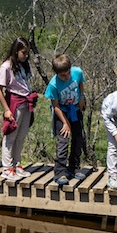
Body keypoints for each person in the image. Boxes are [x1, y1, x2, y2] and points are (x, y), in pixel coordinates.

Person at [0, 37, 36, 180]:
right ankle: (7, 168)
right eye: (23, 52)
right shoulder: (6, 66)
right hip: (14, 102)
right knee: (11, 134)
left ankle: (17, 164)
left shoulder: (25, 65)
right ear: (16, 51)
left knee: (21, 135)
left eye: (27, 53)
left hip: (25, 102)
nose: (26, 56)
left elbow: (26, 83)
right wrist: (6, 109)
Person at [44, 54, 86, 186]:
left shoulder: (77, 72)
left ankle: (74, 167)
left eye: (68, 73)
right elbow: (55, 106)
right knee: (63, 141)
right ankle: (60, 172)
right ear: (57, 74)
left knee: (78, 138)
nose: (66, 77)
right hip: (61, 112)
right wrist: (65, 123)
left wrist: (82, 96)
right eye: (63, 75)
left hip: (75, 109)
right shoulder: (53, 85)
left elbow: (80, 84)